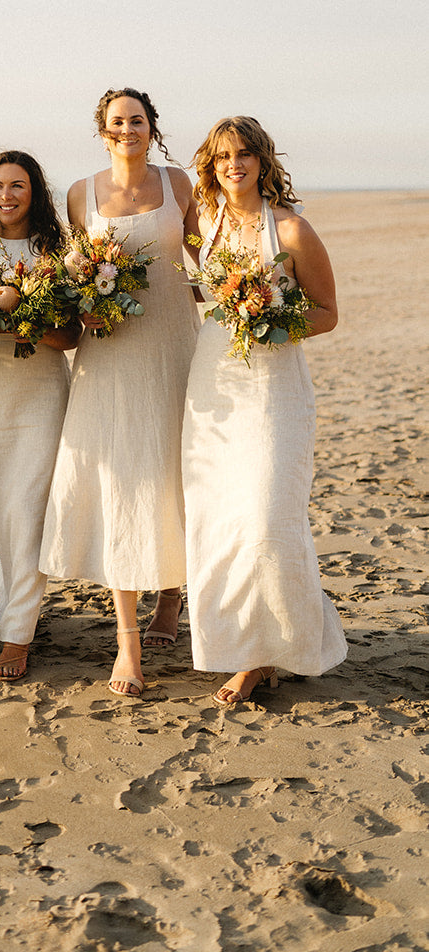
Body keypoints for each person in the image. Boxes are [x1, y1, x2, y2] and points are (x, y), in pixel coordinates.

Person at [40, 89, 199, 698]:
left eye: (138, 120)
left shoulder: (180, 184)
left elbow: (205, 256)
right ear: (102, 131)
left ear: (152, 128)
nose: (127, 128)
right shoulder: (81, 193)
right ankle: (127, 638)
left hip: (173, 342)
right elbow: (67, 273)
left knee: (170, 469)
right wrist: (83, 308)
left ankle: (171, 598)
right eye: (117, 121)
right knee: (120, 477)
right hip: (109, 352)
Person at [182, 117, 346, 705]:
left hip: (275, 388)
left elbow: (327, 313)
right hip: (213, 387)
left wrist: (272, 320)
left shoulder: (293, 230)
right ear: (211, 164)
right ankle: (248, 647)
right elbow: (196, 291)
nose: (234, 165)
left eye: (245, 154)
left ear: (263, 160)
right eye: (223, 156)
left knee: (268, 517)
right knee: (222, 517)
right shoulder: (202, 225)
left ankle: (266, 653)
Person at [0, 151, 78, 681]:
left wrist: (32, 326)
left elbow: (73, 336)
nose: (6, 196)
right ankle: (9, 588)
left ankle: (17, 634)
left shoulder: (55, 253)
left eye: (17, 185)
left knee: (27, 510)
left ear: (35, 191)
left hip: (40, 392)